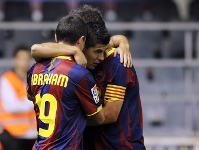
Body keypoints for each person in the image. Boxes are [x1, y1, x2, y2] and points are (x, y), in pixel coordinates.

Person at [30, 4, 145, 150]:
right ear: (81, 43)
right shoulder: (75, 61)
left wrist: (66, 117)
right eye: (97, 52)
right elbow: (36, 49)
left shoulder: (117, 62)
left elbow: (109, 115)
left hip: (120, 146)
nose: (101, 57)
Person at [27, 14, 114, 150]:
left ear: (56, 37)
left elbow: (30, 96)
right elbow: (99, 118)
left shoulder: (34, 69)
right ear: (82, 40)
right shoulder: (79, 73)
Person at [0, 46, 37, 150]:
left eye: (26, 58)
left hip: (33, 134)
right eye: (21, 58)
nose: (24, 62)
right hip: (13, 134)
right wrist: (34, 101)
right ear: (14, 60)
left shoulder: (33, 80)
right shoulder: (7, 79)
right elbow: (11, 106)